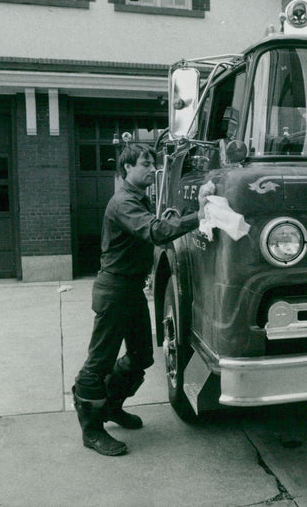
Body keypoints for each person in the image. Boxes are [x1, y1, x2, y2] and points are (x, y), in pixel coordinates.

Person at [73, 142, 211, 456]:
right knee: (98, 364)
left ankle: (110, 406)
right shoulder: (123, 202)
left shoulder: (138, 198)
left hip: (130, 289)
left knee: (141, 357)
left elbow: (153, 227)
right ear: (127, 169)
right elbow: (154, 232)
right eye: (145, 164)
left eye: (153, 164)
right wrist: (197, 217)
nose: (153, 169)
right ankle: (91, 430)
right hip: (114, 291)